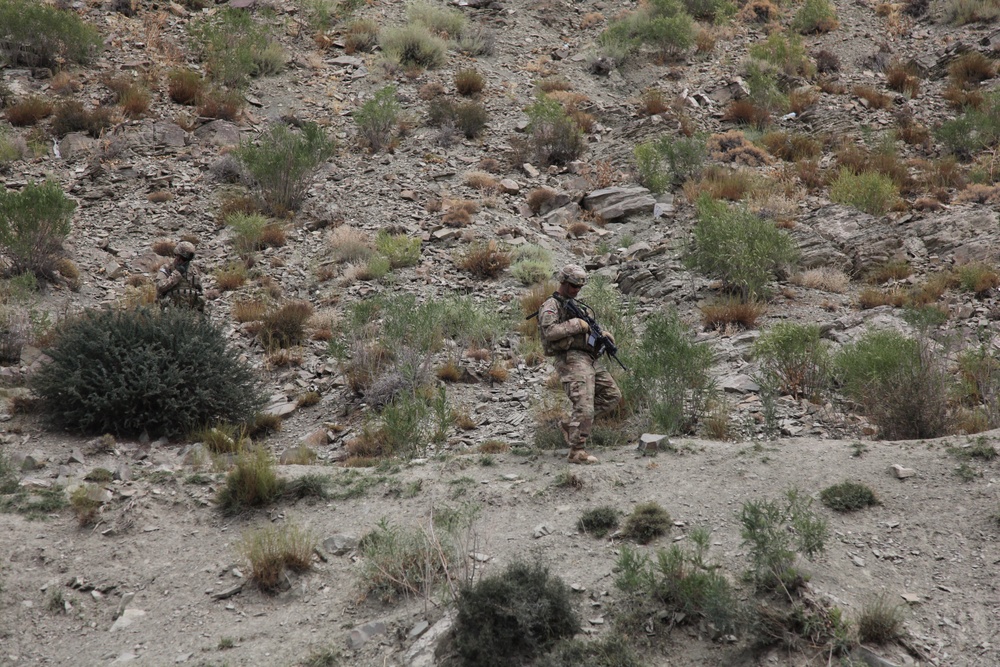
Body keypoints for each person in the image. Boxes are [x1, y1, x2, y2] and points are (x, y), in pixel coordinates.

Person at [538, 264, 622, 464]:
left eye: (579, 287)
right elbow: (549, 331)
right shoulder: (551, 305)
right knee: (584, 405)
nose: (576, 290)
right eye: (573, 286)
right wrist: (576, 325)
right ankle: (577, 451)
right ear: (563, 282)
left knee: (612, 395)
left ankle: (571, 425)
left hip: (588, 358)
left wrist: (602, 336)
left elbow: (589, 331)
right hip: (570, 358)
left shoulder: (579, 307)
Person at [156, 241, 204, 311]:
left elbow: (200, 291)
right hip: (171, 310)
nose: (179, 260)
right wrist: (176, 275)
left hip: (190, 310)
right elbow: (159, 287)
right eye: (178, 256)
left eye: (183, 258)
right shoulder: (167, 268)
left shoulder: (194, 271)